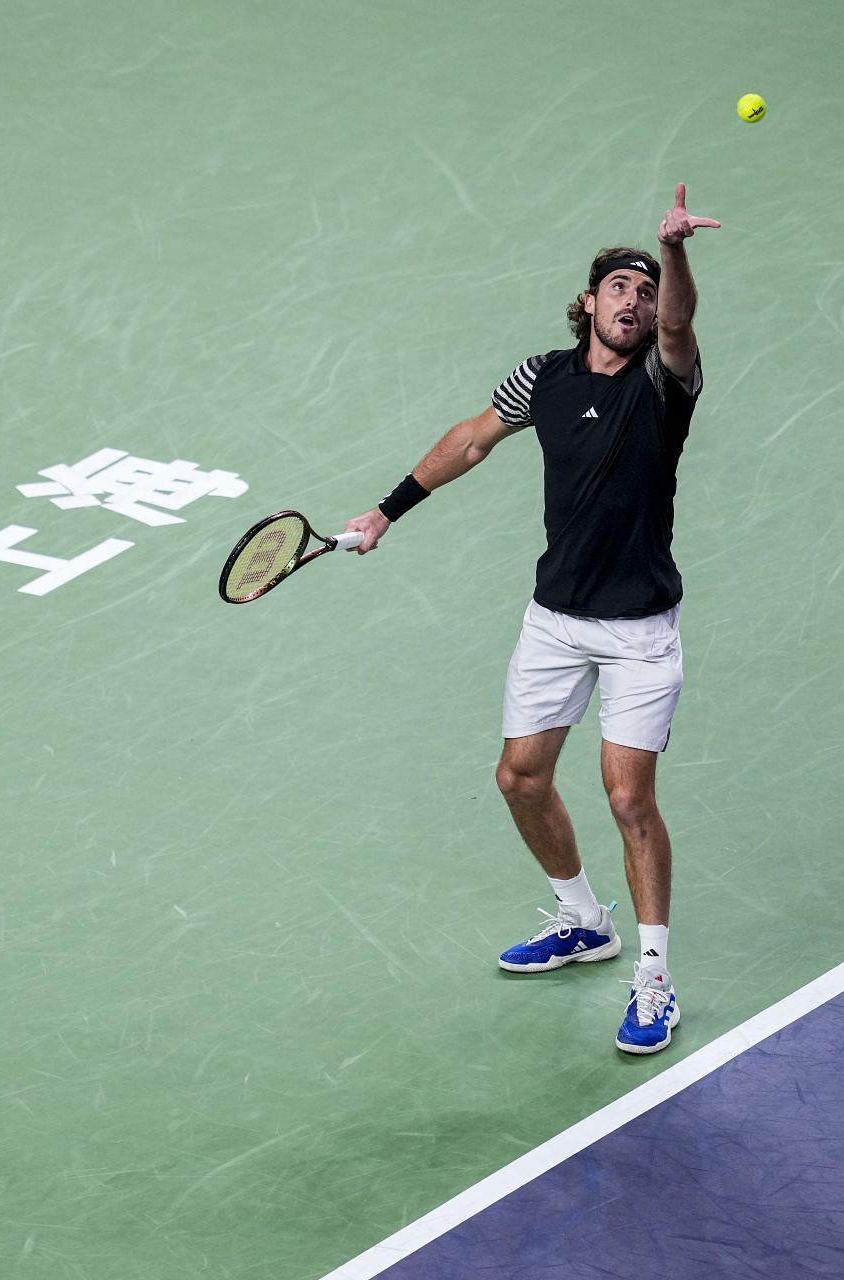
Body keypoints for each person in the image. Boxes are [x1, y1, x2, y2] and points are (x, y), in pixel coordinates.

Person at [344, 183, 720, 1055]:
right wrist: (384, 511)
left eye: (646, 289)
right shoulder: (543, 378)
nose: (636, 299)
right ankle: (586, 920)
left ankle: (655, 978)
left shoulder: (666, 385)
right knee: (520, 779)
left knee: (629, 798)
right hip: (554, 619)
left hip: (638, 631)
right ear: (588, 304)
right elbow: (473, 439)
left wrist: (674, 253)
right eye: (619, 287)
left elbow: (677, 328)